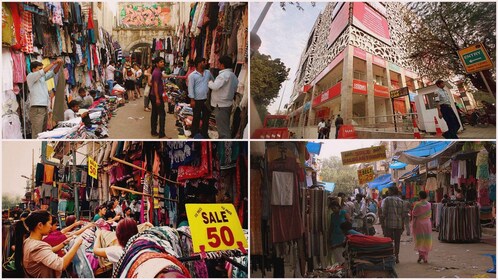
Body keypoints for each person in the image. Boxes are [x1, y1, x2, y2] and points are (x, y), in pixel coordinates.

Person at [19, 210, 84, 277]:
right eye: (50, 223)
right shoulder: (37, 247)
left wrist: (64, 243)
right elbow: (61, 265)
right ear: (40, 225)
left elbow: (49, 251)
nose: (51, 226)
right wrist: (77, 244)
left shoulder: (28, 241)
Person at [26, 58, 63, 138]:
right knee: (37, 134)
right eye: (40, 69)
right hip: (37, 108)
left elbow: (54, 72)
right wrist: (54, 63)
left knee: (43, 133)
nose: (42, 70)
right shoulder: (31, 76)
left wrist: (59, 64)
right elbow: (43, 72)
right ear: (33, 69)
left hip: (43, 107)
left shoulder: (42, 77)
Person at [208, 56, 239, 139]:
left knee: (223, 130)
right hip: (227, 104)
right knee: (225, 126)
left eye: (218, 63)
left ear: (222, 65)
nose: (217, 65)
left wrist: (209, 82)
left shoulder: (224, 75)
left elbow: (215, 86)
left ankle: (225, 145)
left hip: (221, 105)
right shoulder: (234, 76)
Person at [188, 57, 214, 138]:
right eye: (203, 62)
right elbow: (190, 88)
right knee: (196, 117)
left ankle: (204, 134)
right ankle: (194, 133)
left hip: (206, 100)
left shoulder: (208, 73)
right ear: (199, 64)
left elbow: (213, 81)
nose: (205, 63)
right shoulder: (192, 75)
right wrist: (192, 100)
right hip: (197, 100)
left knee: (206, 118)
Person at [381, 186, 404, 263]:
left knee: (389, 241)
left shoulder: (387, 200)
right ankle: (397, 257)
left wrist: (382, 223)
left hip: (389, 224)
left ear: (391, 191)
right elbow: (403, 214)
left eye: (389, 191)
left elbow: (384, 212)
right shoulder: (401, 201)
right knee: (397, 242)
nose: (388, 192)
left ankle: (390, 257)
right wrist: (403, 226)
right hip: (399, 224)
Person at [411, 191, 432, 263]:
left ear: (420, 196)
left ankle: (421, 255)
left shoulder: (417, 204)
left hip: (419, 223)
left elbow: (414, 213)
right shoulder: (429, 204)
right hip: (427, 223)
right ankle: (425, 257)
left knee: (420, 239)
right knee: (426, 239)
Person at [329, 200, 351, 264]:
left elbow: (349, 222)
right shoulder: (332, 215)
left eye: (334, 208)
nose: (333, 210)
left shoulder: (343, 212)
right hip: (335, 236)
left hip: (343, 236)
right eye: (332, 208)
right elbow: (331, 226)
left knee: (343, 253)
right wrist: (329, 236)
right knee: (337, 255)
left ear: (338, 207)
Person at [151, 57, 168, 138]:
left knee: (154, 113)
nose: (163, 63)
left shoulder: (157, 71)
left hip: (154, 95)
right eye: (161, 62)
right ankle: (161, 133)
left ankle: (153, 131)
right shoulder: (157, 72)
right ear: (157, 64)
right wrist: (158, 98)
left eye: (163, 62)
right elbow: (155, 85)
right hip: (156, 96)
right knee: (162, 114)